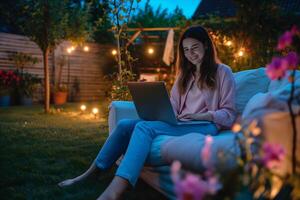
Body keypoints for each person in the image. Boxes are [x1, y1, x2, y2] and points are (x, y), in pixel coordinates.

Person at [58, 25, 237, 200]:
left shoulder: (223, 72)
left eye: (195, 48)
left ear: (206, 45)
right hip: (181, 122)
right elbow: (174, 106)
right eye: (186, 50)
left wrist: (204, 115)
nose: (190, 54)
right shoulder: (185, 75)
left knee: (144, 128)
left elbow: (229, 114)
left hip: (205, 125)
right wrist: (161, 112)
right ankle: (91, 173)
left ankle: (115, 191)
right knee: (124, 125)